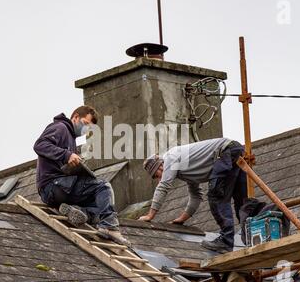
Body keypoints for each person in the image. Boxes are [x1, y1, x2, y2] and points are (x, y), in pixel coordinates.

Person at [34, 106, 130, 246]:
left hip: (60, 188)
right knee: (103, 187)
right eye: (85, 124)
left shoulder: (71, 139)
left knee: (100, 203)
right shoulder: (60, 128)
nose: (85, 130)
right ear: (76, 117)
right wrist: (67, 155)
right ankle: (110, 227)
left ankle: (77, 211)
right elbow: (40, 145)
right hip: (52, 186)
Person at [138, 138, 247, 253]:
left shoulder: (170, 157)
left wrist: (149, 216)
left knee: (216, 197)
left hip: (226, 152)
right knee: (241, 200)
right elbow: (196, 196)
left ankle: (226, 241)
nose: (160, 179)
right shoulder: (186, 168)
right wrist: (181, 219)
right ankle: (250, 237)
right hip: (234, 150)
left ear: (160, 166)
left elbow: (163, 186)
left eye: (157, 175)